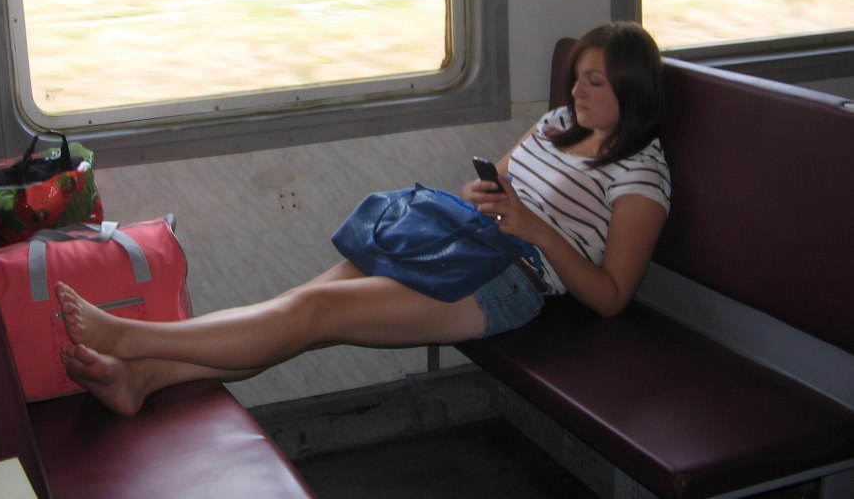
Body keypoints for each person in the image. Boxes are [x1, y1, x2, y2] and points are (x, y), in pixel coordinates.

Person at [55, 21, 670, 416]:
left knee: (309, 315)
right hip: (460, 242)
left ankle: (133, 338)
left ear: (632, 91)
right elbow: (495, 184)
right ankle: (145, 381)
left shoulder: (642, 175)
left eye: (593, 82)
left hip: (511, 282)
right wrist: (489, 197)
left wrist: (534, 228)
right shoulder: (559, 126)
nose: (576, 92)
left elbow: (611, 296)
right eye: (575, 79)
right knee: (296, 308)